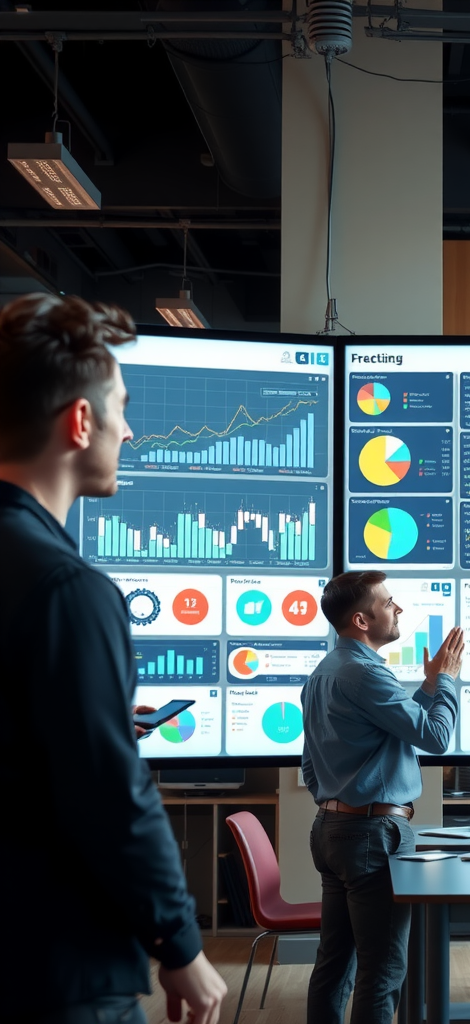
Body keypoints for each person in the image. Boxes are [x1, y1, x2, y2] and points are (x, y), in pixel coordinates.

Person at [0, 293, 227, 1024]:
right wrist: (180, 945)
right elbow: (108, 790)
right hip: (55, 969)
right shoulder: (68, 588)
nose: (129, 431)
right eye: (122, 409)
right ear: (80, 421)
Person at [301, 570, 464, 1024]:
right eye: (389, 603)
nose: (398, 608)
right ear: (362, 620)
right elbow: (435, 737)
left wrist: (428, 687)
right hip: (371, 834)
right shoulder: (366, 673)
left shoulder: (324, 673)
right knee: (382, 969)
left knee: (334, 963)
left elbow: (312, 764)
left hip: (332, 829)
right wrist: (447, 681)